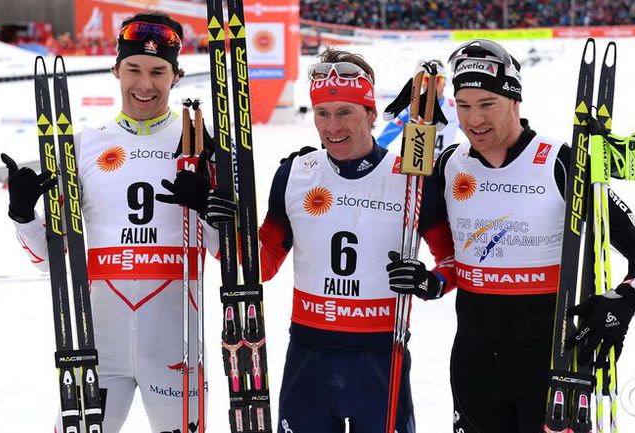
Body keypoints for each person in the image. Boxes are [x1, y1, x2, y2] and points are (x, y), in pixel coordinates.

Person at [164, 47, 457, 433]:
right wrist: (211, 217)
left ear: (371, 113)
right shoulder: (295, 175)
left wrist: (429, 282)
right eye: (322, 113)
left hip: (381, 359)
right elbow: (263, 264)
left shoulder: (412, 180)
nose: (332, 127)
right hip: (309, 358)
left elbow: (451, 263)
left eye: (345, 112)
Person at [388, 39, 635, 432]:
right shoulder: (450, 164)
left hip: (551, 363)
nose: (474, 120)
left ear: (515, 102)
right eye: (463, 106)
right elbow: (417, 219)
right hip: (473, 363)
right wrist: (430, 282)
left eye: (487, 104)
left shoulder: (561, 163)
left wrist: (626, 298)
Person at [2, 11, 217, 433]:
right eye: (134, 69)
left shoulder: (199, 144)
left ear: (176, 76)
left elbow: (230, 253)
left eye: (158, 71)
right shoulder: (83, 146)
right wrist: (23, 215)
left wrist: (208, 204)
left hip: (175, 347)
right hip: (97, 347)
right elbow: (49, 260)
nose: (145, 84)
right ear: (116, 70)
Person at [376, 59, 461, 159]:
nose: (431, 85)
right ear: (421, 82)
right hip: (415, 164)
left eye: (437, 80)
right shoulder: (411, 108)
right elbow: (382, 141)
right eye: (426, 80)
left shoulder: (455, 108)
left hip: (442, 164)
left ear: (444, 83)